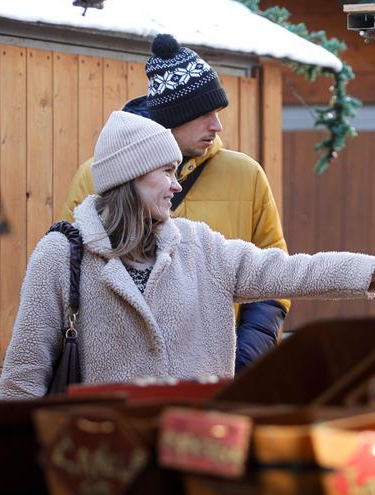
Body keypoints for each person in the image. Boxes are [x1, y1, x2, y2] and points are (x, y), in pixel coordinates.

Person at [0, 111, 375, 400]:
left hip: (197, 459)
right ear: (131, 177)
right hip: (105, 464)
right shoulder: (63, 254)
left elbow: (289, 271)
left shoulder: (201, 247)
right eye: (167, 172)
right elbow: (23, 375)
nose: (177, 185)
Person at [62, 34, 288, 373]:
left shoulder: (247, 175)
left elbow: (275, 274)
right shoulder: (94, 177)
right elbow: (68, 276)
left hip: (217, 375)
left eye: (218, 111)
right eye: (204, 113)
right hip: (118, 379)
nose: (217, 125)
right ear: (172, 116)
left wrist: (245, 360)